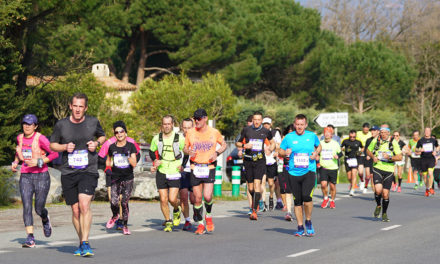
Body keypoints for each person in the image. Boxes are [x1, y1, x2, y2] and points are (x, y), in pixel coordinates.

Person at [50, 93, 106, 256]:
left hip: (88, 170)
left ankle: (85, 242)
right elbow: (53, 145)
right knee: (75, 211)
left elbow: (102, 136)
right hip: (68, 171)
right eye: (75, 106)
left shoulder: (93, 122)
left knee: (84, 205)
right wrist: (64, 147)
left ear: (85, 108)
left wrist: (96, 143)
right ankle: (81, 240)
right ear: (70, 106)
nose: (78, 109)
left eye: (81, 106)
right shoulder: (61, 125)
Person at [12, 114, 59, 248]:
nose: (27, 126)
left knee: (38, 208)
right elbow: (19, 151)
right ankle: (30, 237)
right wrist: (15, 162)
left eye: (30, 124)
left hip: (41, 176)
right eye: (25, 123)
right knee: (26, 206)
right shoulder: (20, 138)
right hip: (26, 176)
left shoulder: (41, 138)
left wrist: (39, 161)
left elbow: (55, 153)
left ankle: (45, 218)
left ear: (36, 126)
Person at [184, 109, 227, 234]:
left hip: (209, 167)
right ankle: (200, 224)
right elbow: (185, 147)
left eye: (199, 118)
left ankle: (208, 215)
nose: (196, 121)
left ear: (205, 118)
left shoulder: (214, 132)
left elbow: (224, 145)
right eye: (195, 118)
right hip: (195, 167)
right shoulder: (190, 133)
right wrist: (188, 151)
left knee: (207, 196)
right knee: (197, 199)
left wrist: (217, 153)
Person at [279, 114, 321, 237]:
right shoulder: (288, 137)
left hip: (309, 171)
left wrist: (316, 153)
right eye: (297, 125)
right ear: (294, 124)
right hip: (293, 172)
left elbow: (319, 146)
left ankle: (308, 220)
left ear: (305, 125)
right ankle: (300, 227)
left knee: (307, 198)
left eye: (302, 125)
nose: (299, 127)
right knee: (297, 201)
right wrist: (285, 152)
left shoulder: (312, 136)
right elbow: (280, 151)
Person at [98, 127, 140, 230]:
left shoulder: (131, 142)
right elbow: (101, 157)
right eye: (117, 132)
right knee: (112, 198)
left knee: (123, 199)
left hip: (126, 173)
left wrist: (130, 164)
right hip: (112, 173)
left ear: (125, 132)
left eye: (121, 131)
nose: (119, 133)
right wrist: (107, 167)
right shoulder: (109, 143)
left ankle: (122, 220)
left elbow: (137, 155)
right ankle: (116, 216)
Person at [236, 112, 275, 220]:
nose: (257, 121)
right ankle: (255, 202)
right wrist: (244, 145)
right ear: (252, 120)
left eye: (259, 119)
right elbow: (237, 143)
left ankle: (254, 210)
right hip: (248, 160)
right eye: (255, 119)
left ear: (261, 120)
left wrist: (270, 149)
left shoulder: (266, 131)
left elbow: (273, 143)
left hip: (260, 161)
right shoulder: (246, 130)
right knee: (250, 187)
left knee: (258, 185)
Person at [149, 115, 185, 232]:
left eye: (169, 124)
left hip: (174, 170)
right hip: (162, 170)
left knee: (172, 198)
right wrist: (155, 160)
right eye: (164, 124)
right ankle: (168, 220)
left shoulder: (179, 138)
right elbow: (151, 151)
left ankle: (177, 208)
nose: (167, 126)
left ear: (172, 125)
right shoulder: (156, 138)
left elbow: (187, 152)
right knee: (163, 199)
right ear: (162, 125)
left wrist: (183, 165)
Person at [366, 124, 402, 222]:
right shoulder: (376, 140)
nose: (382, 134)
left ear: (388, 133)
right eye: (381, 132)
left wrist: (389, 158)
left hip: (389, 170)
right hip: (377, 168)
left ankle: (384, 213)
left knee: (385, 194)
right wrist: (373, 157)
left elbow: (400, 157)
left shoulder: (393, 142)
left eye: (384, 133)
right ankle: (378, 205)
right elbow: (368, 150)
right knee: (378, 190)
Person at [319, 127, 343, 209]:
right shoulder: (320, 143)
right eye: (325, 132)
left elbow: (341, 154)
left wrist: (337, 156)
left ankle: (332, 200)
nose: (326, 134)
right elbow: (317, 153)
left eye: (328, 133)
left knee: (332, 186)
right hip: (323, 167)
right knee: (323, 184)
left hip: (333, 167)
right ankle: (325, 198)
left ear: (331, 135)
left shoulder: (335, 143)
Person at [261, 117, 282, 211]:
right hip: (261, 161)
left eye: (267, 124)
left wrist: (272, 148)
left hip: (271, 161)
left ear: (270, 124)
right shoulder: (259, 132)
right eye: (264, 123)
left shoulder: (274, 133)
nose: (266, 125)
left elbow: (279, 146)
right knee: (262, 182)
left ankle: (271, 196)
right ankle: (263, 203)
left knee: (270, 183)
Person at [179, 118, 196, 231]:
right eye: (184, 127)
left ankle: (196, 210)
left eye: (189, 127)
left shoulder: (197, 138)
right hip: (182, 171)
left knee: (194, 199)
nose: (186, 130)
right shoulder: (177, 139)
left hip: (195, 170)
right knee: (184, 196)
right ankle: (187, 220)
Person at [278, 124, 295, 220]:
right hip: (286, 166)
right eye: (289, 132)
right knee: (287, 190)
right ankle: (289, 212)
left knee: (298, 192)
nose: (290, 134)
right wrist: (285, 152)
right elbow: (280, 152)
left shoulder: (302, 140)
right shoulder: (285, 140)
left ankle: (298, 208)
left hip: (298, 168)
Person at [415, 127, 439, 196]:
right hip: (423, 159)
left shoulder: (433, 140)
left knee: (430, 173)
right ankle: (427, 188)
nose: (427, 132)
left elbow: (438, 147)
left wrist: (436, 151)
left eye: (428, 131)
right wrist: (420, 150)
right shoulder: (421, 140)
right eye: (426, 131)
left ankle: (431, 188)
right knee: (425, 176)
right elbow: (416, 149)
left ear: (430, 132)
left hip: (431, 158)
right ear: (424, 132)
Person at [341, 130, 363, 196]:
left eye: (354, 137)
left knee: (354, 174)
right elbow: (341, 147)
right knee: (349, 176)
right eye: (351, 137)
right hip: (347, 159)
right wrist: (344, 149)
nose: (352, 138)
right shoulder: (345, 141)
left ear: (355, 136)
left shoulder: (358, 141)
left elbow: (363, 147)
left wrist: (360, 152)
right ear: (349, 135)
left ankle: (352, 190)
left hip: (355, 159)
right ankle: (353, 184)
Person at [364, 126, 380, 193]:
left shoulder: (381, 140)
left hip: (379, 161)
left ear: (378, 131)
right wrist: (367, 155)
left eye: (374, 130)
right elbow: (366, 150)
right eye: (371, 130)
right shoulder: (368, 140)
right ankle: (376, 194)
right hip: (370, 160)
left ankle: (380, 191)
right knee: (371, 177)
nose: (372, 132)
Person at [356, 123, 372, 191]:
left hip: (368, 153)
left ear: (368, 128)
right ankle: (362, 181)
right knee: (360, 172)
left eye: (367, 128)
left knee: (368, 174)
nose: (365, 129)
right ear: (362, 128)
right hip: (360, 153)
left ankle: (366, 186)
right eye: (364, 127)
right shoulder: (358, 133)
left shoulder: (371, 134)